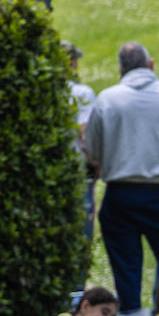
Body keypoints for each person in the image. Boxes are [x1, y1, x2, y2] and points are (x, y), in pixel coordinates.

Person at [84, 41, 159, 316]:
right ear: (151, 64)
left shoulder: (107, 98)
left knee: (126, 267)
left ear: (120, 69)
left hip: (121, 191)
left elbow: (93, 150)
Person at [64, 41, 97, 247]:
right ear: (72, 62)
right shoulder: (81, 93)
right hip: (78, 170)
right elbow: (85, 133)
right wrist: (96, 163)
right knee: (82, 231)